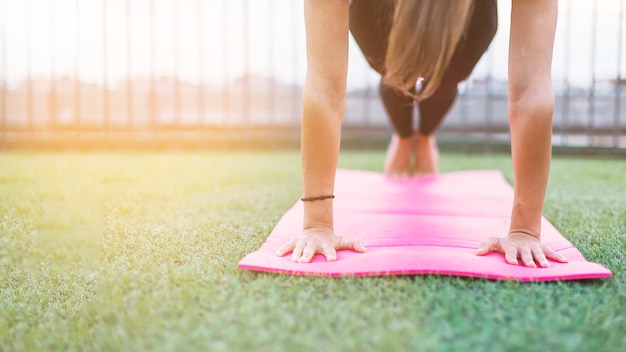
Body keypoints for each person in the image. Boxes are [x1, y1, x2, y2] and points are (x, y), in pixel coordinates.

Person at [274, 0, 569, 269]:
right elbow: (327, 87)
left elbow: (528, 93)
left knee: (442, 81)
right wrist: (317, 224)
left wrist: (525, 229)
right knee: (396, 79)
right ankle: (404, 137)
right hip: (378, 28)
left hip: (465, 34)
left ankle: (424, 137)